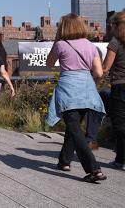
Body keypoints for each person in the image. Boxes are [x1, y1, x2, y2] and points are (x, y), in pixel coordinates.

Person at [46, 13, 107, 183]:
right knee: (74, 128)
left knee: (74, 128)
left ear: (63, 28)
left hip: (68, 90)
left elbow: (49, 64)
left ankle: (94, 169)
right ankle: (64, 161)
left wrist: (57, 40)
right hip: (87, 89)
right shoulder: (90, 45)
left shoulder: (60, 45)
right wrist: (87, 80)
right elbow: (99, 72)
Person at [102, 11, 125, 171]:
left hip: (120, 86)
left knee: (120, 124)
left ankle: (120, 160)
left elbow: (105, 67)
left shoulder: (116, 42)